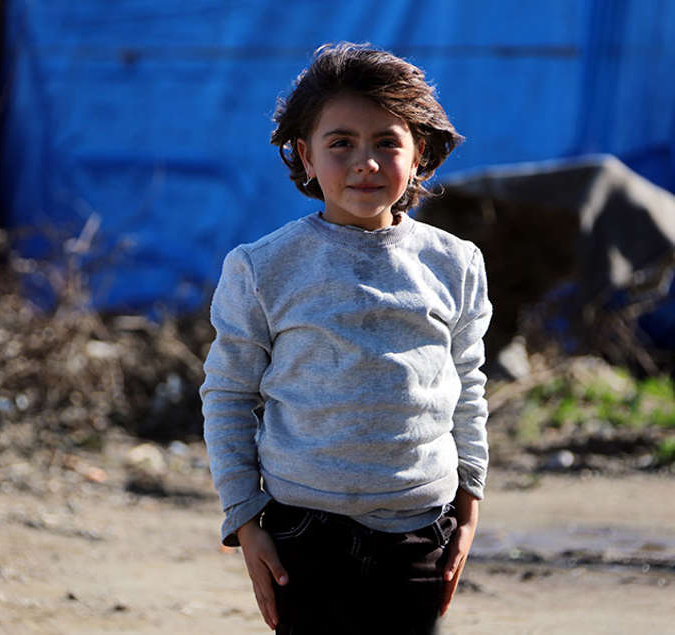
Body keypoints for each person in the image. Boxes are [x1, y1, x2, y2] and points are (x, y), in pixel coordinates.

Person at [200, 42, 491, 634]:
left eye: (388, 142)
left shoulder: (454, 263)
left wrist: (471, 493)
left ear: (421, 156)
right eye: (341, 144)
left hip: (420, 528)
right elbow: (228, 395)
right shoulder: (263, 268)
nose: (367, 162)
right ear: (305, 156)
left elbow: (468, 383)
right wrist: (246, 520)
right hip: (303, 533)